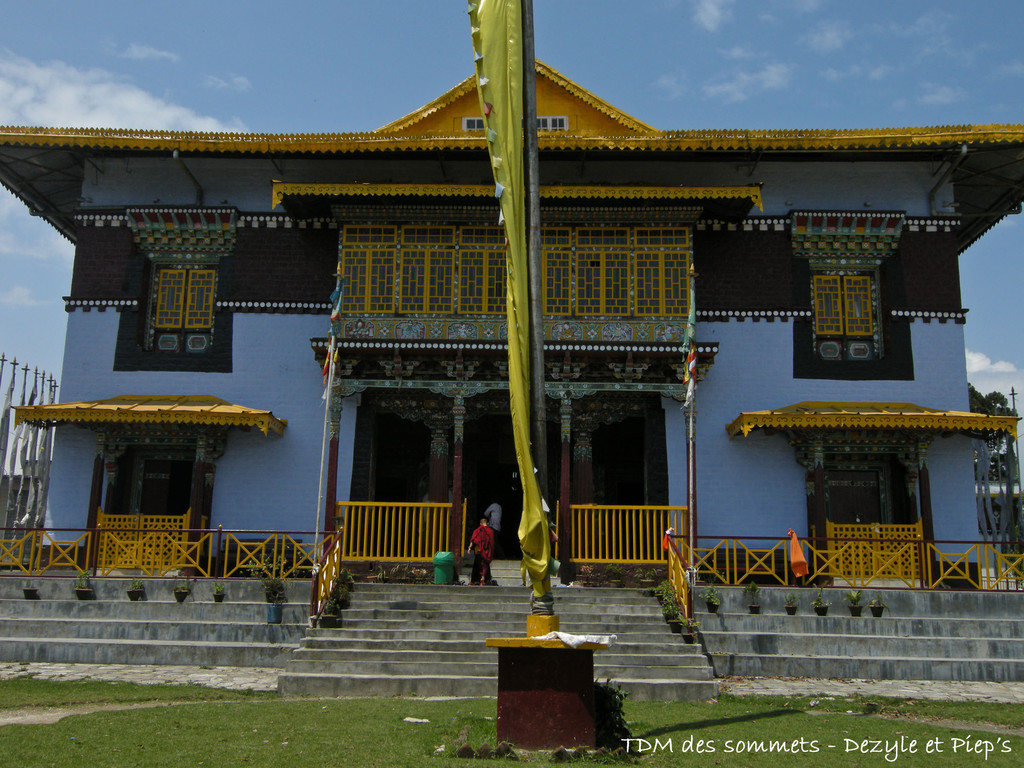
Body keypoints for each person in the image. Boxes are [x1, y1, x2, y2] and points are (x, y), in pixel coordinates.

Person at [469, 518, 495, 586]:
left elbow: (473, 539)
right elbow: (492, 543)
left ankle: (476, 580)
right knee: (485, 565)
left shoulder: (478, 530)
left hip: (478, 550)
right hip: (487, 551)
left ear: (480, 524)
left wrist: (469, 548)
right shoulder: (490, 531)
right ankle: (484, 579)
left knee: (477, 564)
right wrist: (491, 552)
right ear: (487, 523)